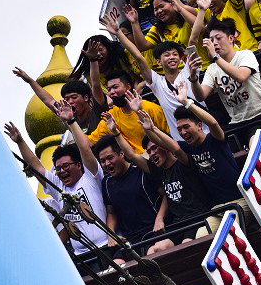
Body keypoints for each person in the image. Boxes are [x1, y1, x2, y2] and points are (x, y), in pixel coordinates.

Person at [3, 103, 109, 272]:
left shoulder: (91, 176)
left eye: (66, 166)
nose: (61, 171)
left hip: (106, 246)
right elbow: (37, 167)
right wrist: (20, 141)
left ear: (79, 165)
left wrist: (71, 122)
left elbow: (85, 150)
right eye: (58, 169)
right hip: (82, 256)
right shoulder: (58, 186)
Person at [102, 12, 200, 141]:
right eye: (166, 55)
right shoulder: (157, 82)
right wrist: (118, 33)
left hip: (204, 132)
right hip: (181, 141)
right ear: (158, 62)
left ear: (180, 58)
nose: (171, 57)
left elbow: (192, 41)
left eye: (175, 54)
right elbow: (138, 57)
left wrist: (202, 11)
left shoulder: (189, 70)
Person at [132, 109, 213, 253]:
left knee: (186, 246)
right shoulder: (159, 170)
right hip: (177, 223)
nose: (151, 154)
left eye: (155, 148)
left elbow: (175, 149)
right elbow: (132, 157)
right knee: (155, 250)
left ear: (165, 147)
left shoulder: (184, 162)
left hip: (197, 218)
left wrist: (151, 127)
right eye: (149, 152)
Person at [187, 18, 261, 148]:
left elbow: (241, 76)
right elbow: (200, 96)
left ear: (231, 39)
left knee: (255, 147)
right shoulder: (212, 69)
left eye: (218, 38)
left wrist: (216, 57)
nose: (214, 43)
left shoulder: (245, 55)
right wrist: (193, 77)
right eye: (211, 40)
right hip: (236, 123)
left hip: (259, 116)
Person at [97, 129, 167, 255]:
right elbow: (111, 212)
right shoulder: (106, 182)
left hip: (153, 233)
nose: (107, 164)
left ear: (122, 154)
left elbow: (166, 195)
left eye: (110, 158)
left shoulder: (141, 169)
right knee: (115, 269)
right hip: (129, 241)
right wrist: (111, 235)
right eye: (102, 161)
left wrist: (159, 219)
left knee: (155, 253)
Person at [13, 67, 107, 141]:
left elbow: (96, 83)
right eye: (66, 99)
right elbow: (48, 101)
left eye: (74, 97)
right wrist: (30, 80)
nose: (70, 102)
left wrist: (93, 60)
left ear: (86, 97)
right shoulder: (67, 116)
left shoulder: (98, 110)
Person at [87, 72, 170, 151]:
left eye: (115, 87)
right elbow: (89, 142)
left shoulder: (150, 108)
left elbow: (170, 137)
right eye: (109, 89)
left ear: (128, 87)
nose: (112, 92)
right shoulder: (111, 116)